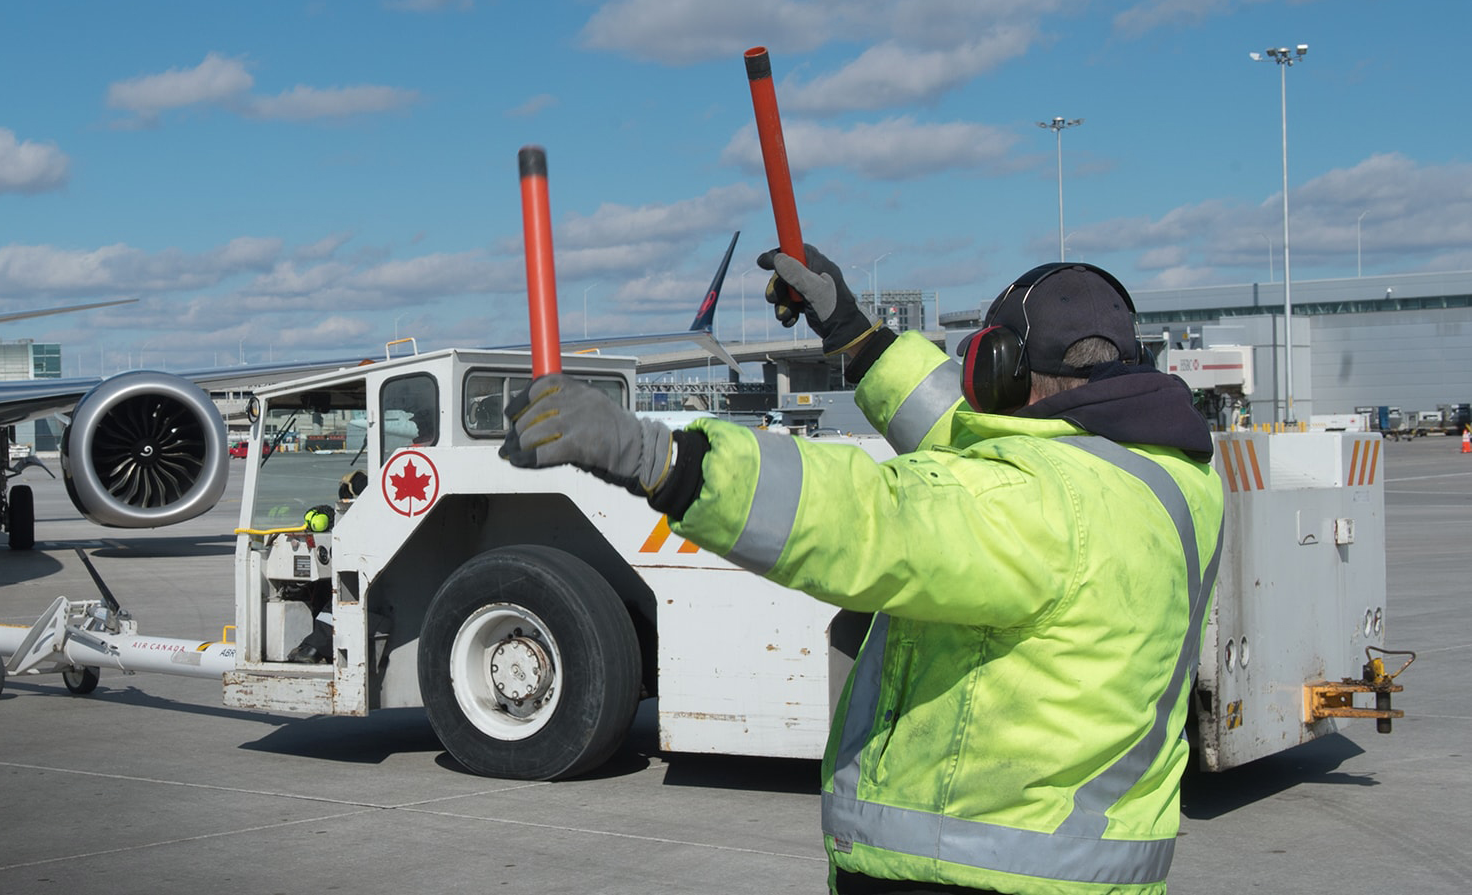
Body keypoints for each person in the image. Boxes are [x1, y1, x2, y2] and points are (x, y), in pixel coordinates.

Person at [503, 244, 1223, 895]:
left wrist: (658, 457)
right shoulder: (1166, 480)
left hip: (971, 870)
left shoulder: (1036, 503)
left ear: (1000, 369)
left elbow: (865, 515)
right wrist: (854, 333)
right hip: (1084, 869)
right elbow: (960, 434)